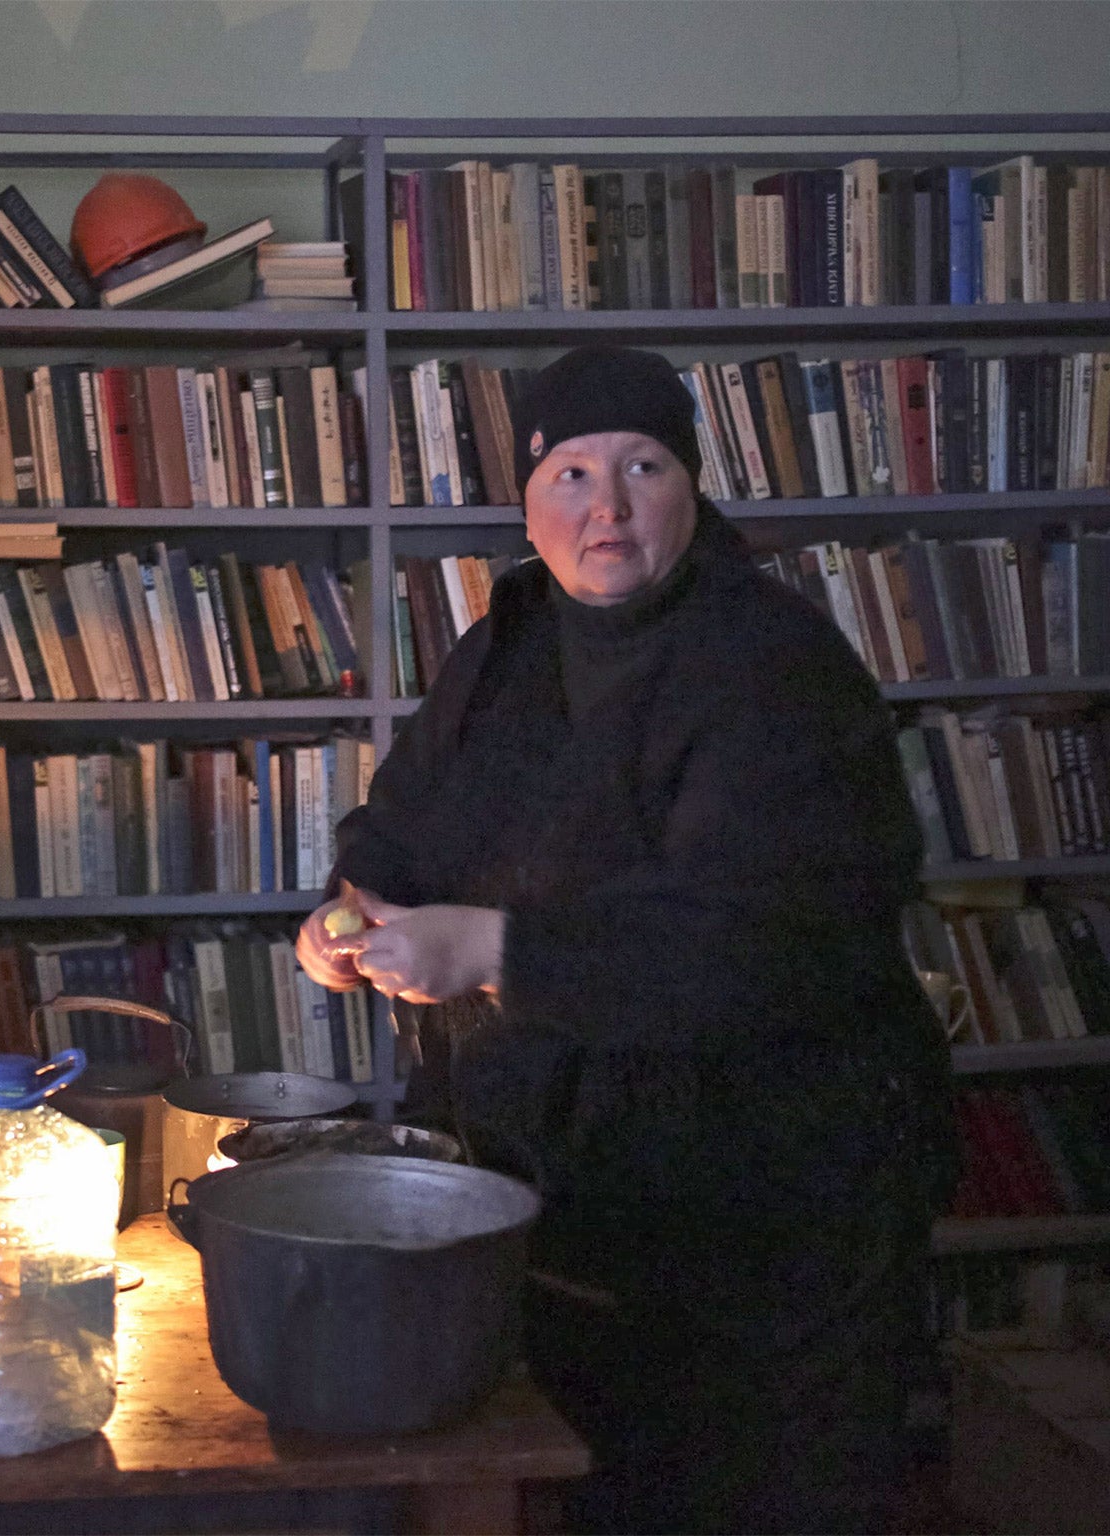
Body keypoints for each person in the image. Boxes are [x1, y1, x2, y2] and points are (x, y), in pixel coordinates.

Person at [296, 346, 957, 1534]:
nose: (605, 506)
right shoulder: (506, 639)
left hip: (766, 1203)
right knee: (586, 1479)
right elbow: (406, 810)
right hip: (569, 1175)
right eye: (570, 472)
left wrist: (495, 950)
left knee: (740, 1495)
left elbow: (755, 941)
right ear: (527, 502)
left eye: (642, 467)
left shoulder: (773, 667)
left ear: (691, 488)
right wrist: (354, 899)